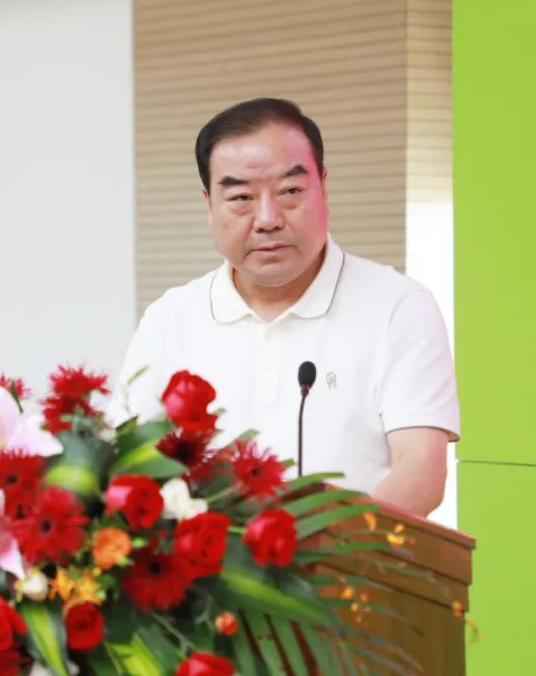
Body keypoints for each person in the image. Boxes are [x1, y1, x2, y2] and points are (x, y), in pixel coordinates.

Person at [111, 98, 459, 516]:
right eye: (241, 197)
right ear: (209, 205)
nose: (268, 219)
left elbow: (421, 471)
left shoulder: (398, 307)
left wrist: (322, 548)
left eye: (290, 191)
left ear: (323, 187)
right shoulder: (170, 318)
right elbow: (126, 464)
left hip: (352, 557)